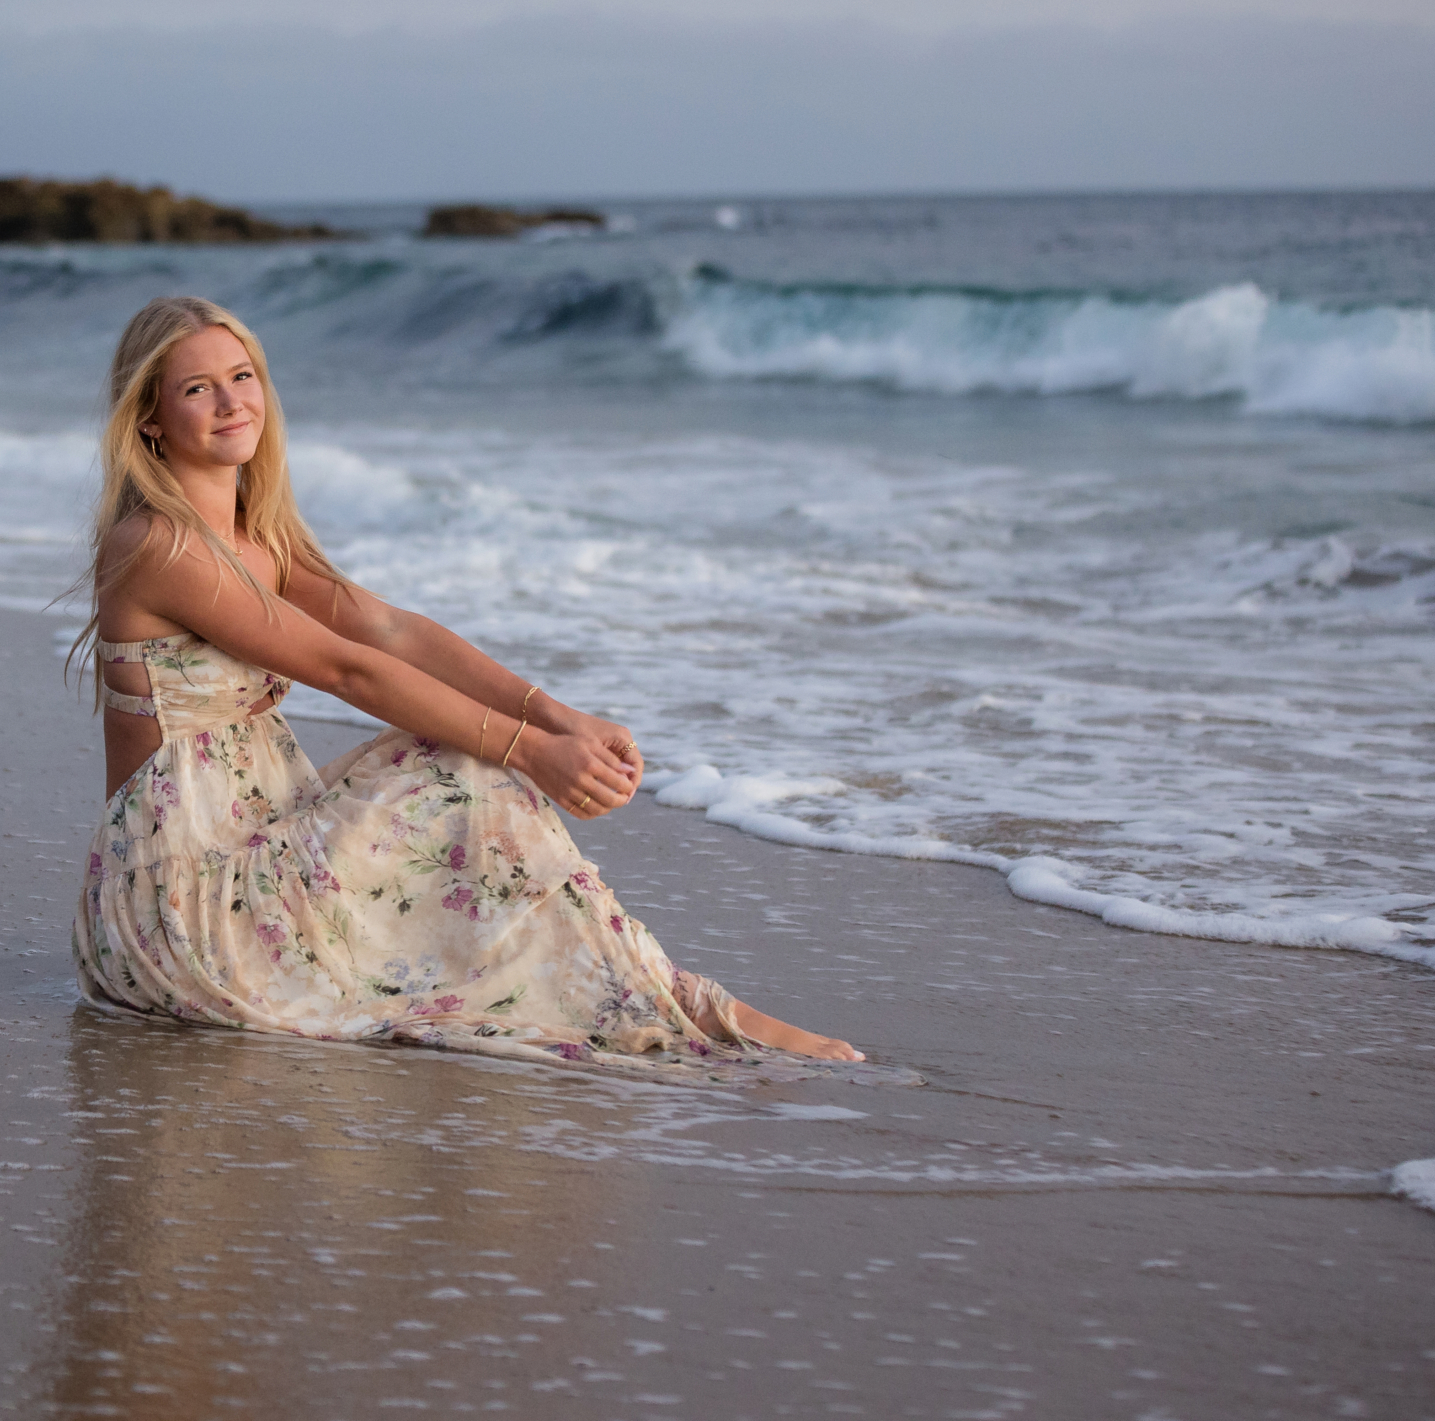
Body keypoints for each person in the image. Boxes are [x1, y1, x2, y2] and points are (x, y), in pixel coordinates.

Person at [70, 296, 862, 1073]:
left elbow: (389, 631)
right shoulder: (158, 546)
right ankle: (672, 999)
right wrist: (529, 751)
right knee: (467, 768)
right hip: (182, 916)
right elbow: (351, 670)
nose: (232, 401)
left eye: (243, 376)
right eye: (198, 388)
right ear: (150, 417)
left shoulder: (257, 535)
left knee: (469, 766)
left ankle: (661, 991)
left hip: (253, 858)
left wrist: (556, 719)